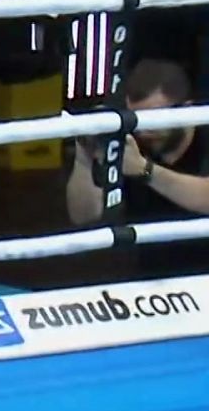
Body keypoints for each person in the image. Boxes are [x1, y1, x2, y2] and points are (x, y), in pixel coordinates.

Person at [65, 57, 209, 278]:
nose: (145, 129)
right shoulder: (129, 138)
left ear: (186, 110)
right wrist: (85, 157)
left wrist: (144, 170)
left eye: (155, 117)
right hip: (156, 282)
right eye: (138, 117)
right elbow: (84, 216)